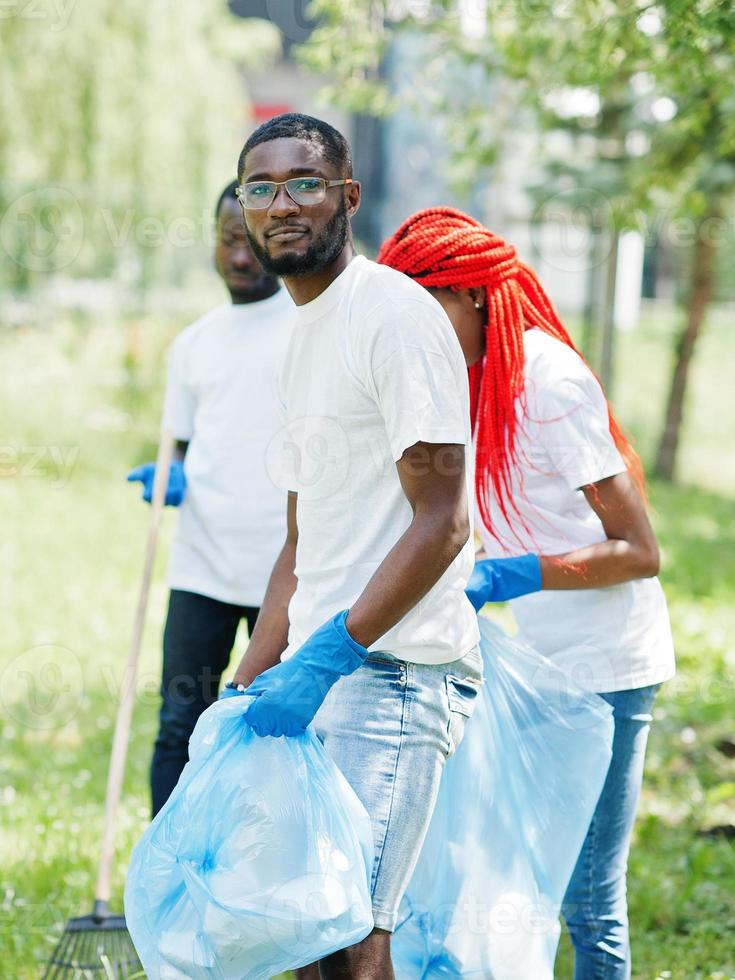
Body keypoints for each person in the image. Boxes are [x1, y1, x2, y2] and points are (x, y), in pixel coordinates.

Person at [377, 206, 674, 980]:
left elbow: (639, 551)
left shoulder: (547, 379)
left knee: (585, 892)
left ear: (472, 294)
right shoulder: (470, 382)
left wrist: (515, 574)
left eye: (430, 308)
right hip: (532, 664)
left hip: (608, 667)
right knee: (512, 875)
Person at [224, 113, 482, 980]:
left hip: (395, 674)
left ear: (348, 196)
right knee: (303, 930)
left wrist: (331, 650)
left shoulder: (395, 319)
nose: (281, 205)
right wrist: (256, 666)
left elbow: (444, 517)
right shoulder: (298, 332)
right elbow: (304, 533)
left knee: (350, 939)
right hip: (318, 665)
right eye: (260, 189)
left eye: (304, 183)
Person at [126, 180, 295, 814]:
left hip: (285, 569)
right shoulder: (194, 343)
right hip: (202, 563)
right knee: (180, 723)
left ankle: (262, 870)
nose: (241, 257)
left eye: (252, 242)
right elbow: (181, 444)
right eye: (228, 240)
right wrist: (168, 475)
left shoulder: (304, 329)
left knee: (275, 728)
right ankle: (168, 873)